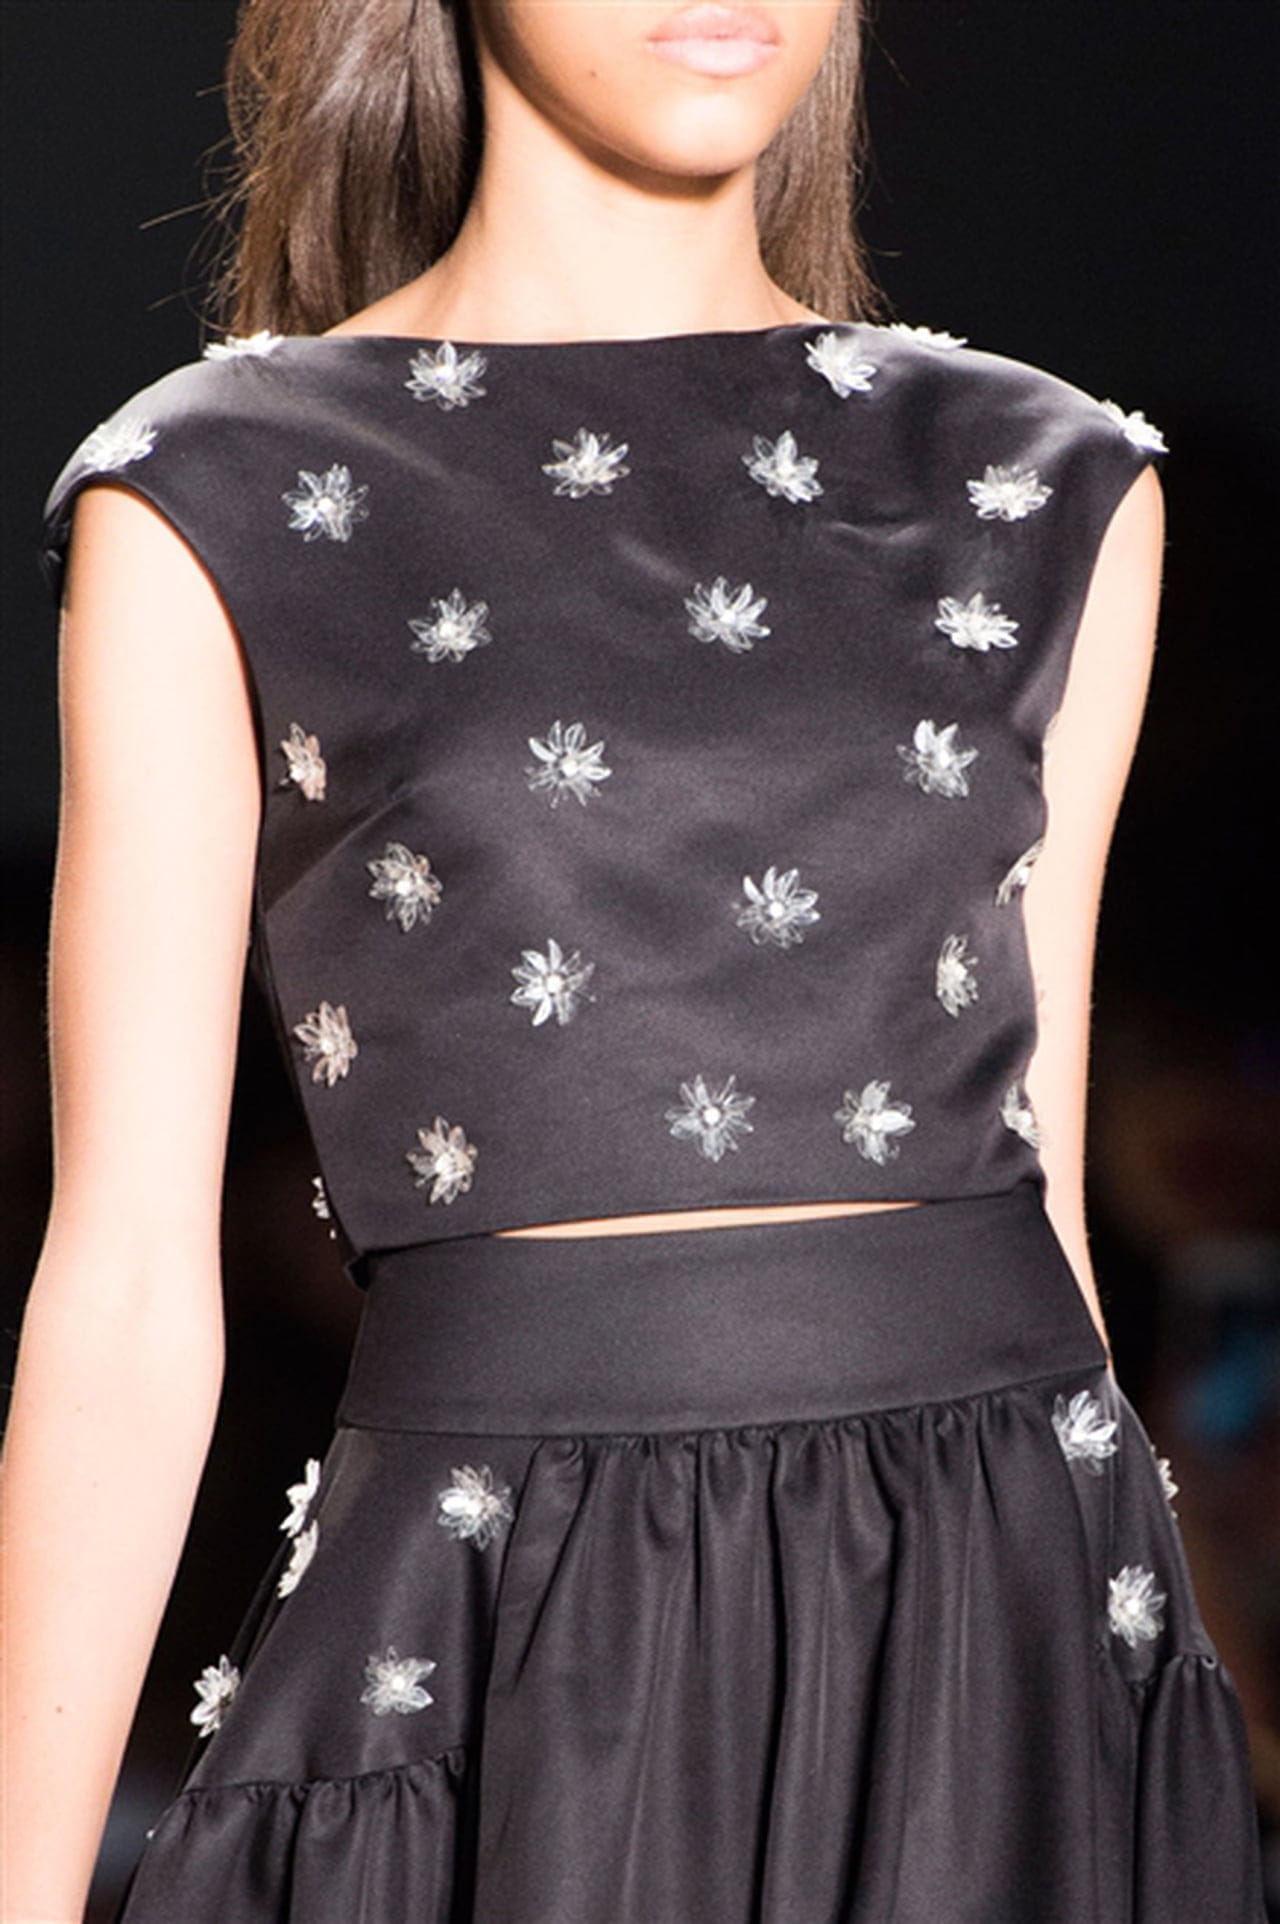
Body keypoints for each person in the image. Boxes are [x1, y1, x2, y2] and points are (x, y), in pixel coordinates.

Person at [1, 0, 1268, 1916]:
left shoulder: (1042, 481)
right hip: (513, 1613)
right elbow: (125, 1287)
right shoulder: (220, 491)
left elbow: (1040, 1192)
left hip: (994, 1614)